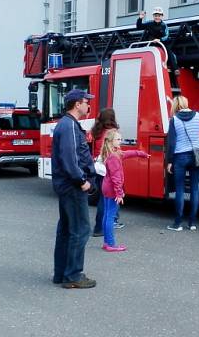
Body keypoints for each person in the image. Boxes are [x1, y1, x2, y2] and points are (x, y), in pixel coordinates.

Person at [51, 89, 96, 289]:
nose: (89, 105)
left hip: (66, 186)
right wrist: (81, 181)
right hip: (72, 186)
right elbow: (69, 158)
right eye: (86, 102)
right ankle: (73, 275)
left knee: (67, 230)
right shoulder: (69, 125)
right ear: (77, 104)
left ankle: (62, 274)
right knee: (81, 229)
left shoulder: (66, 124)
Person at [165, 95, 199, 231]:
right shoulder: (198, 115)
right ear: (186, 103)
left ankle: (177, 224)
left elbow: (171, 143)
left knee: (180, 189)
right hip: (196, 156)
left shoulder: (174, 120)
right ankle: (192, 223)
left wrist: (170, 161)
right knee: (194, 188)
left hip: (180, 157)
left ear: (176, 105)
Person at [100, 130, 149, 252]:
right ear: (111, 141)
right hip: (112, 189)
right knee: (110, 216)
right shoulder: (114, 157)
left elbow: (128, 153)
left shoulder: (112, 153)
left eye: (120, 139)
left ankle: (106, 242)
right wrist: (119, 193)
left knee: (106, 215)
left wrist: (140, 153)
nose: (120, 141)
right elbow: (116, 177)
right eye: (118, 139)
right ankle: (111, 244)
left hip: (106, 187)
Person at [91, 108, 122, 237]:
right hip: (108, 169)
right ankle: (100, 227)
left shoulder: (97, 132)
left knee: (102, 199)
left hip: (98, 168)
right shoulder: (112, 133)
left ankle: (103, 225)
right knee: (106, 200)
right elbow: (116, 152)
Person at [136, 6, 178, 74]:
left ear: (161, 16)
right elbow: (139, 26)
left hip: (161, 42)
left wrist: (160, 40)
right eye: (155, 15)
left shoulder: (164, 25)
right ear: (153, 16)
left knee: (169, 53)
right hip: (150, 43)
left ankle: (175, 69)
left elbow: (166, 36)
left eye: (159, 15)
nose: (157, 17)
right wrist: (140, 18)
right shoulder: (149, 23)